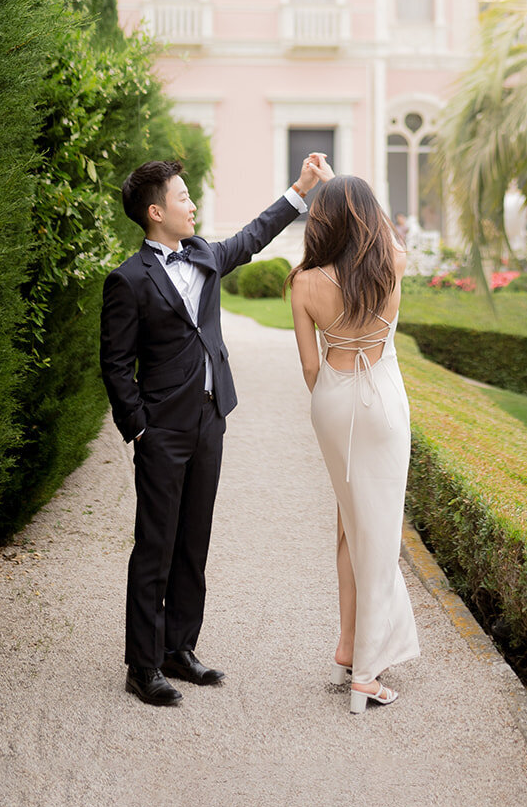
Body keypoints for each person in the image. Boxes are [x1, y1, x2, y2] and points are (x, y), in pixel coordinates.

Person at [101, 155, 326, 706]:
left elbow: (252, 237)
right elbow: (114, 365)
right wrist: (140, 428)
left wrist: (300, 189)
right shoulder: (128, 280)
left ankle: (179, 647)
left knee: (193, 541)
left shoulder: (203, 255)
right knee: (155, 544)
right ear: (156, 212)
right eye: (182, 197)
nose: (192, 204)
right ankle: (143, 664)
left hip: (209, 419)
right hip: (162, 431)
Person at [289, 165, 420, 713]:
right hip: (383, 403)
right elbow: (385, 234)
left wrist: (331, 193)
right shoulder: (393, 263)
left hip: (334, 401)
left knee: (349, 524)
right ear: (369, 219)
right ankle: (366, 673)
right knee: (380, 532)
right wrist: (352, 190)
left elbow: (311, 370)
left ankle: (349, 645)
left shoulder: (304, 282)